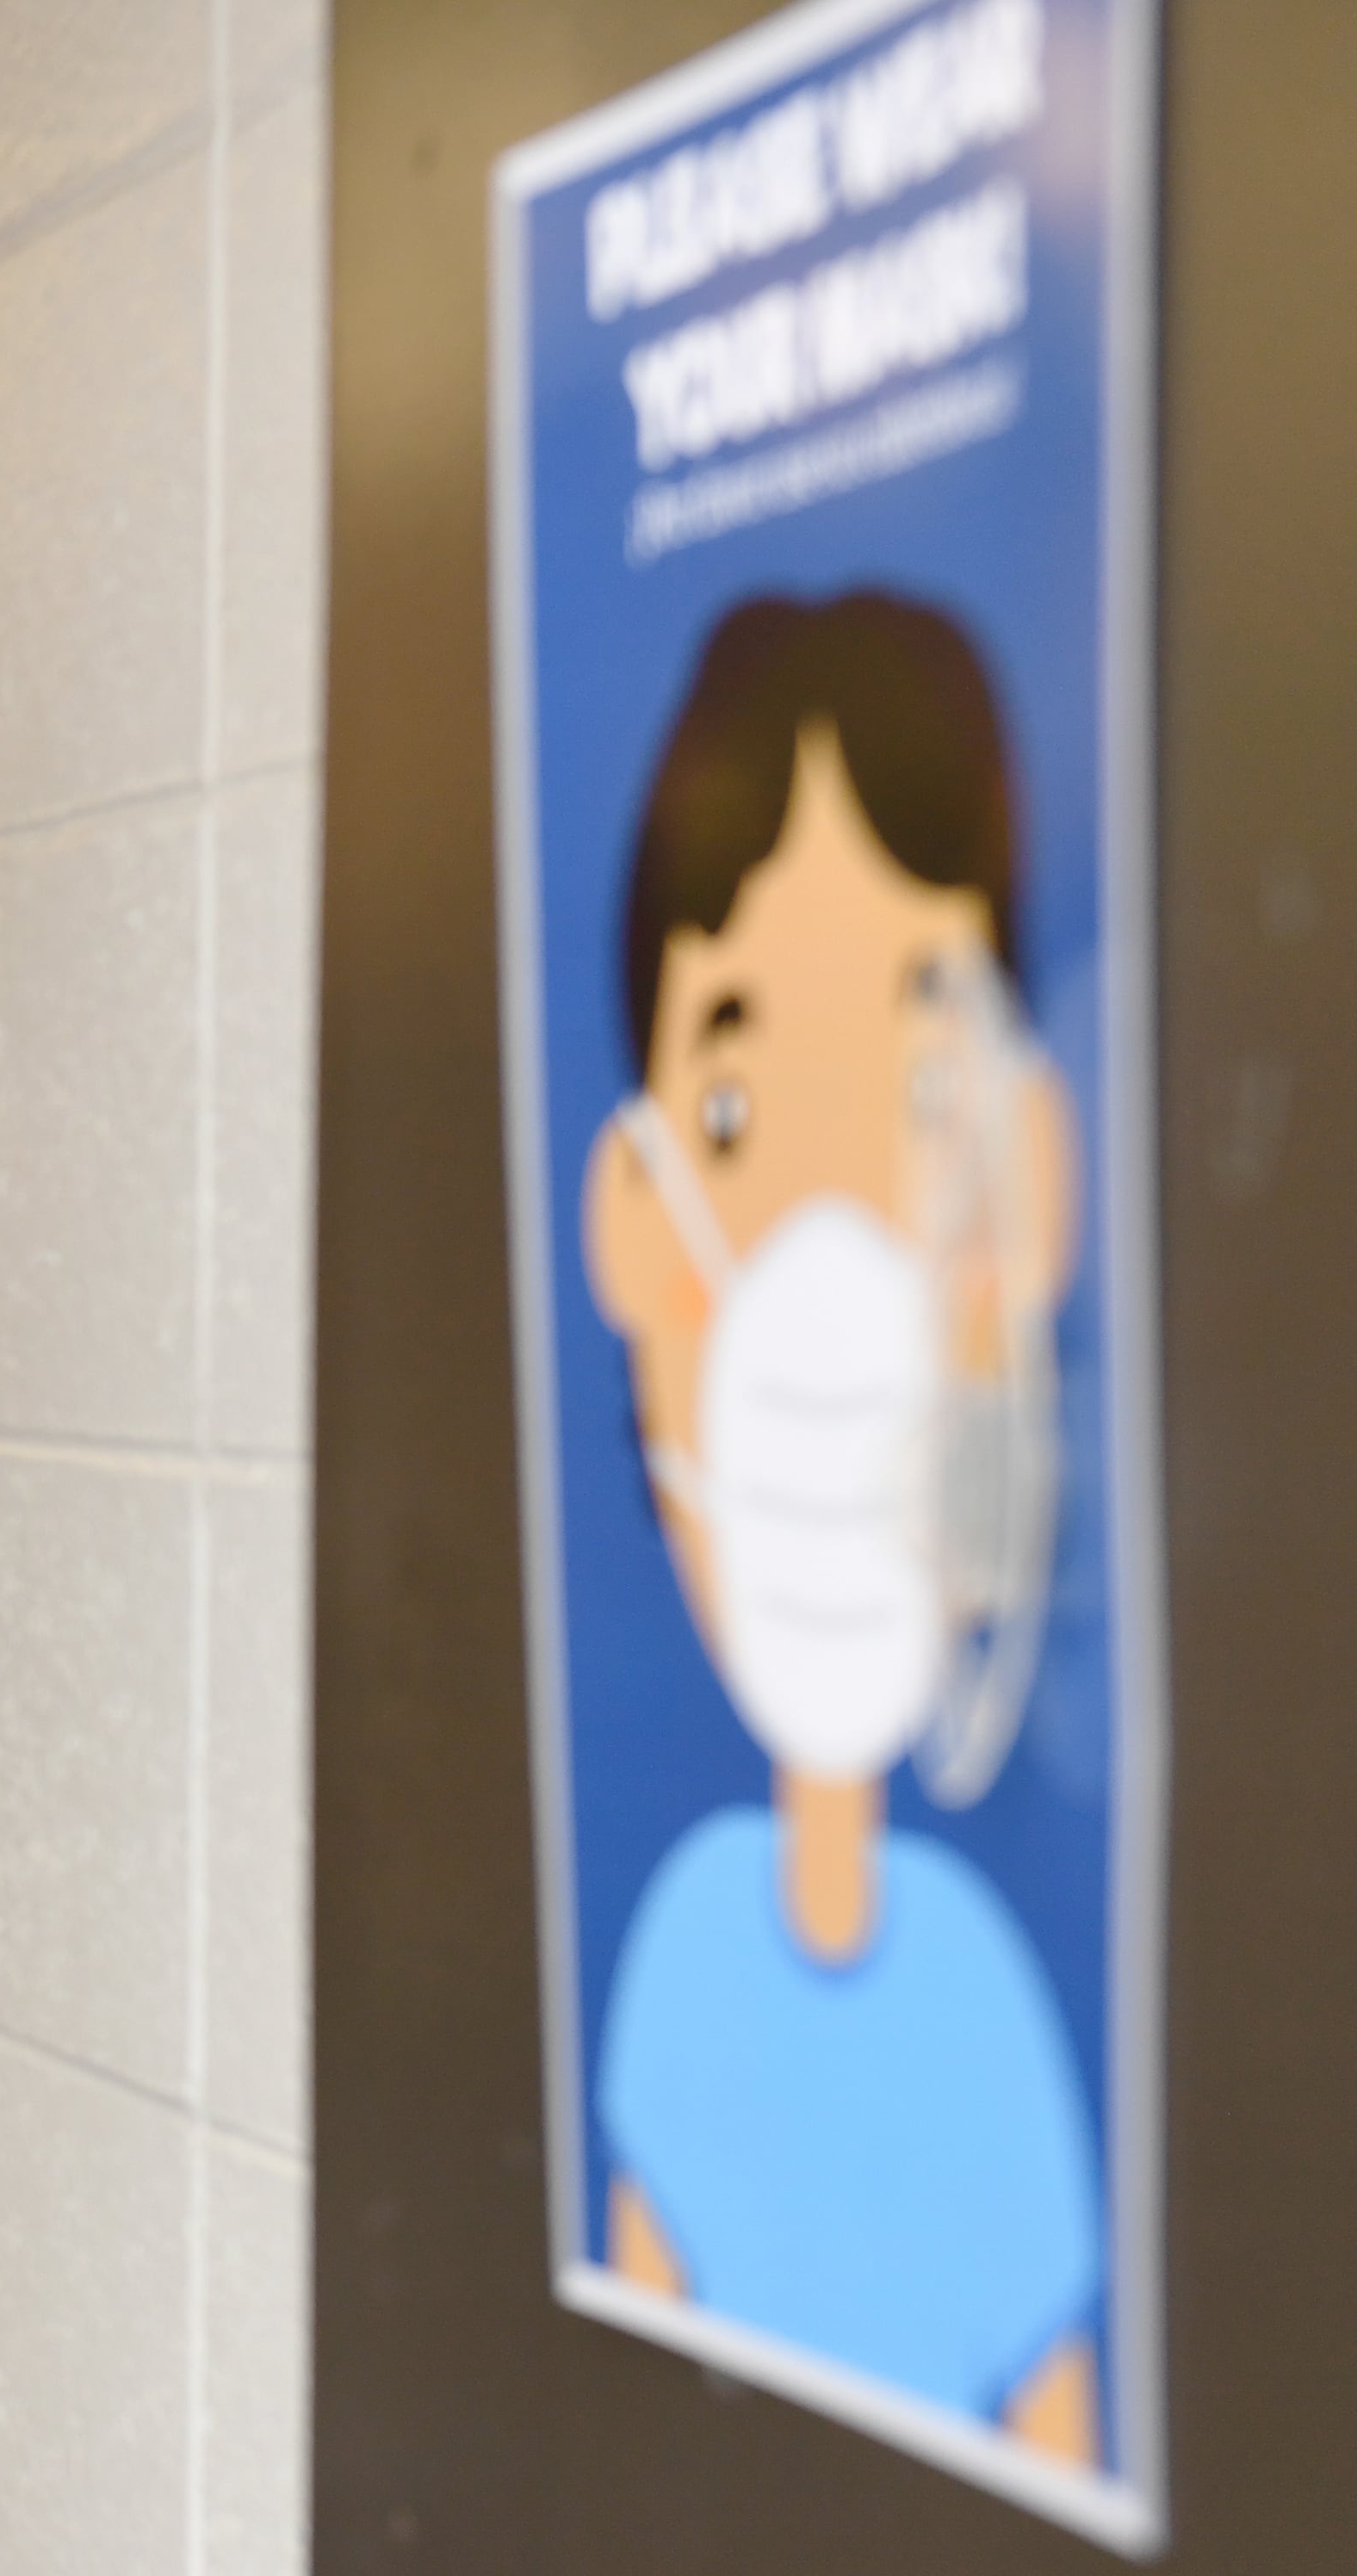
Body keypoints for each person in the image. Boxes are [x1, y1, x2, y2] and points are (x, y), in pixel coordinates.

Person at [577, 589, 1103, 2461]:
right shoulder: (682, 1960)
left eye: (910, 1090)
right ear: (630, 1224)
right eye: (731, 1094)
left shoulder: (985, 2020)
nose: (822, 1245)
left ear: (1024, 1183)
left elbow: (1057, 2427)